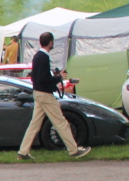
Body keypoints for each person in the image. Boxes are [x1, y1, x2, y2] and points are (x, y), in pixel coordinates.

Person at [17, 32, 90, 160]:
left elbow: (36, 77)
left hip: (38, 93)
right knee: (60, 122)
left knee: (34, 124)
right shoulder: (44, 57)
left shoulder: (37, 56)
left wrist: (54, 77)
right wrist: (58, 78)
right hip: (45, 95)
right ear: (51, 42)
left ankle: (23, 152)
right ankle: (73, 150)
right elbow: (44, 78)